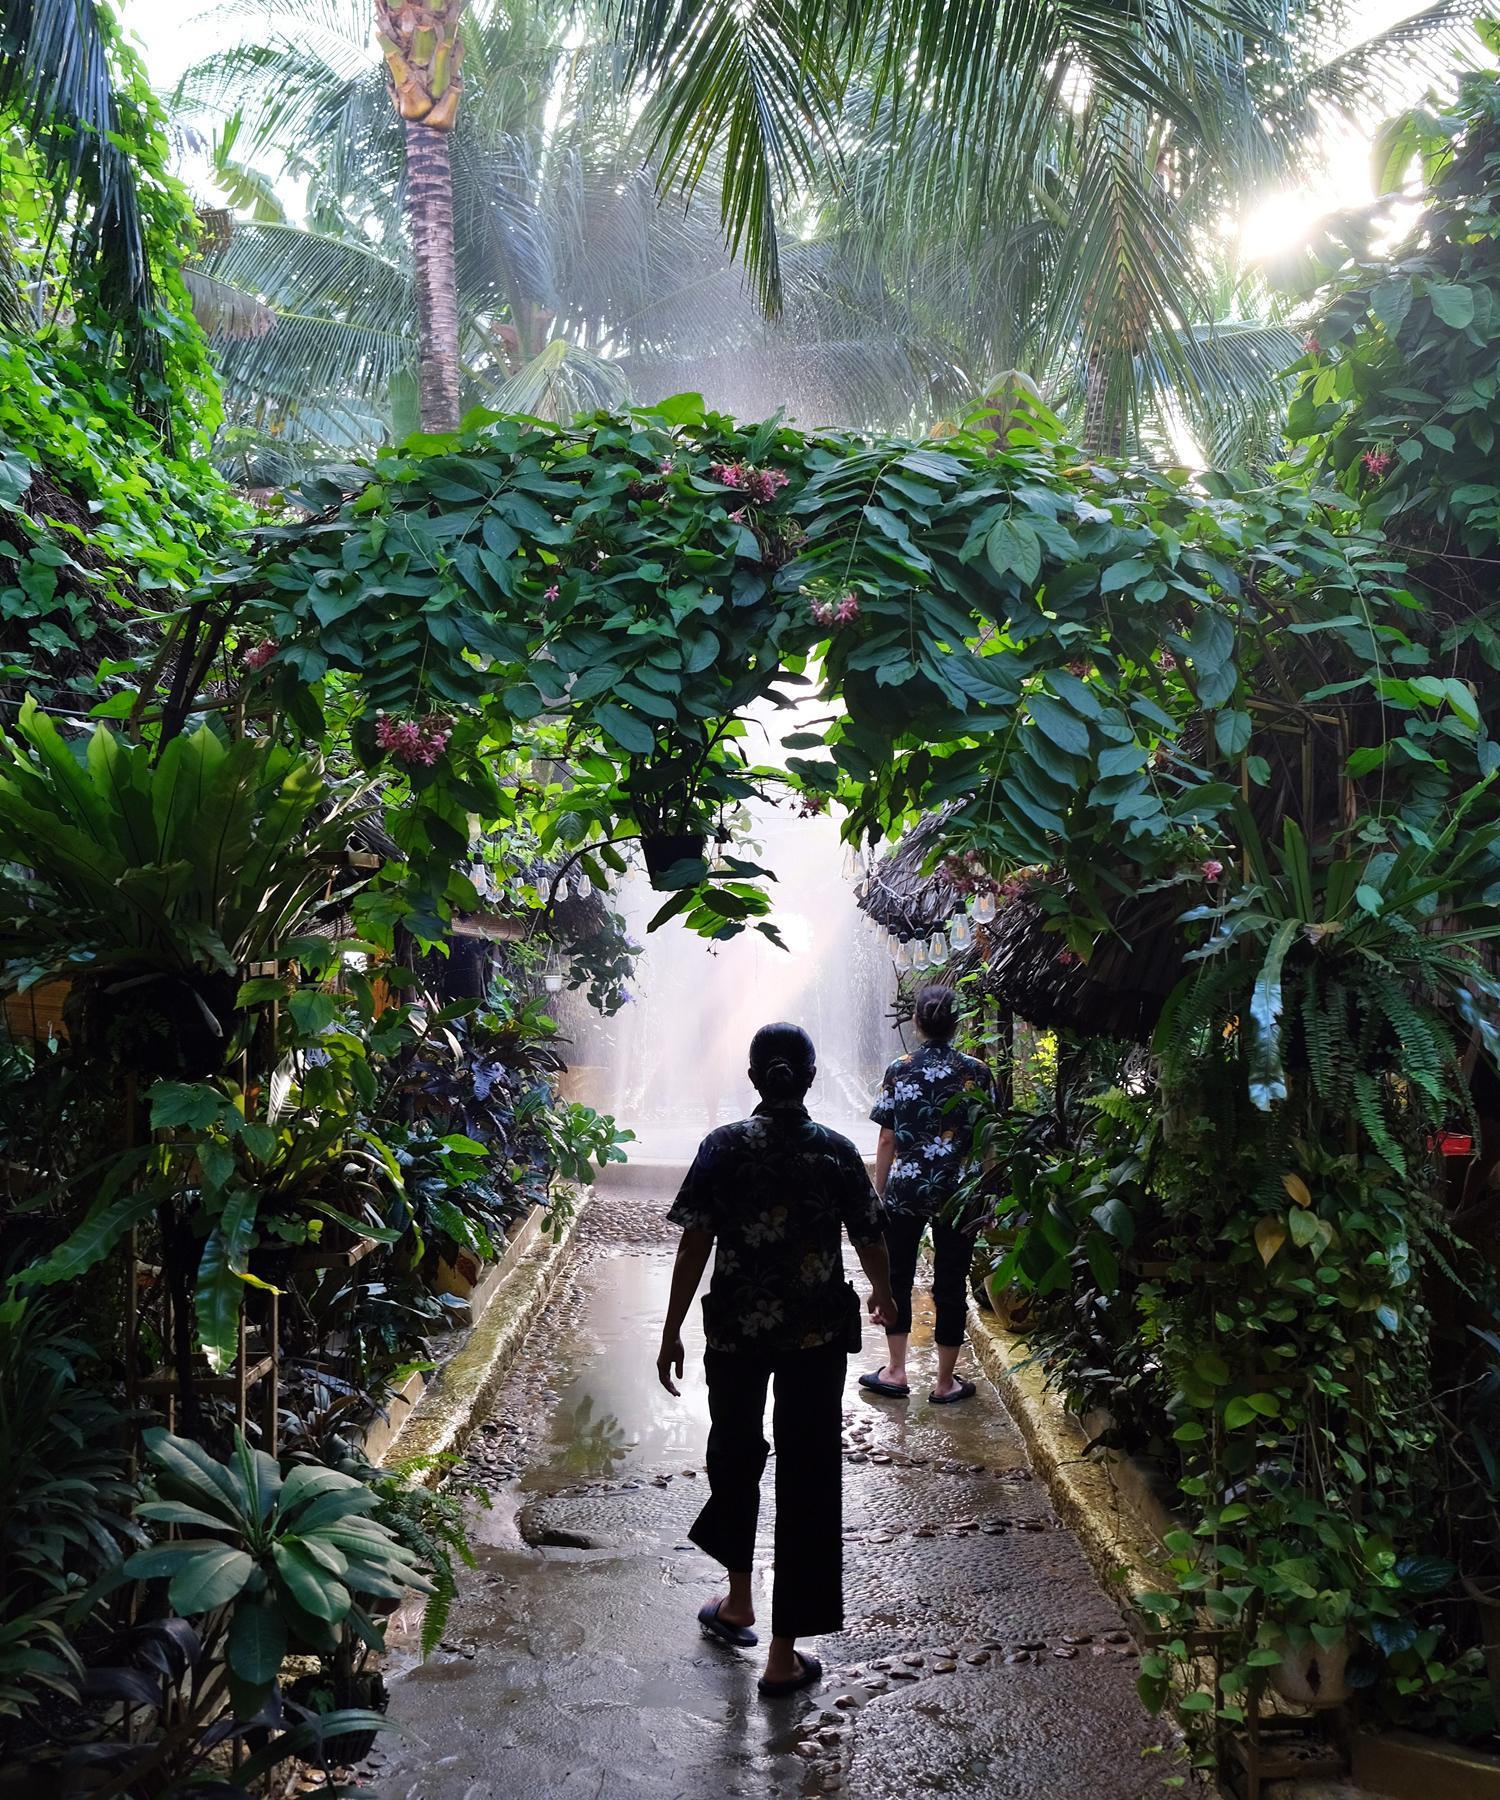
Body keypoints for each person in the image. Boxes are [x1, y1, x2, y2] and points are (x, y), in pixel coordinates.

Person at [657, 1022, 896, 1698]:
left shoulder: (722, 1147)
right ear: (811, 1076)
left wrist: (671, 1330)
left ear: (755, 1077)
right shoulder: (836, 1151)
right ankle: (783, 1656)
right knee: (809, 1477)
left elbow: (693, 1245)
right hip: (815, 1338)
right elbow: (871, 1235)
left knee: (734, 1457)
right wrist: (883, 1295)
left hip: (735, 1331)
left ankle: (738, 1601)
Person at [861, 984, 995, 1405]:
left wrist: (878, 1195)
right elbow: (989, 1140)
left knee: (897, 1275)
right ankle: (944, 1381)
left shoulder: (898, 1069)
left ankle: (897, 1371)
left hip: (906, 1189)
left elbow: (886, 1139)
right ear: (956, 1025)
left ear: (916, 1022)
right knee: (950, 1281)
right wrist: (987, 1193)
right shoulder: (978, 1071)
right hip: (960, 1190)